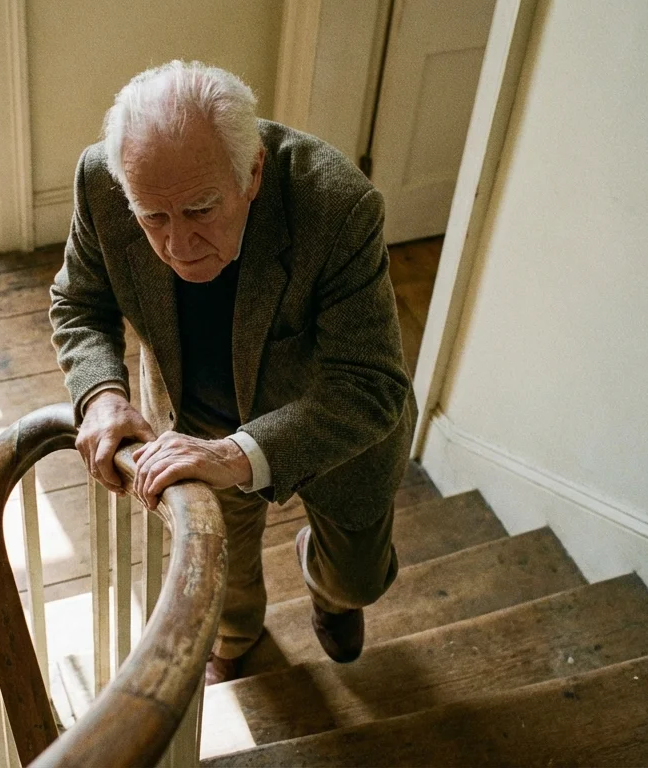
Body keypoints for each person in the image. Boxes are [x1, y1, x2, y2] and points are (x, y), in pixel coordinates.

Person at [49, 60, 416, 685]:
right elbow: (81, 301)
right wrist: (104, 396)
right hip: (193, 414)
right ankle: (237, 635)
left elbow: (369, 383)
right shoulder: (104, 180)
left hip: (334, 436)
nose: (178, 245)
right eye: (154, 218)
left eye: (199, 210)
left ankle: (327, 585)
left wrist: (241, 454)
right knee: (221, 562)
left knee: (355, 577)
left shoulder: (337, 206)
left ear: (252, 173)